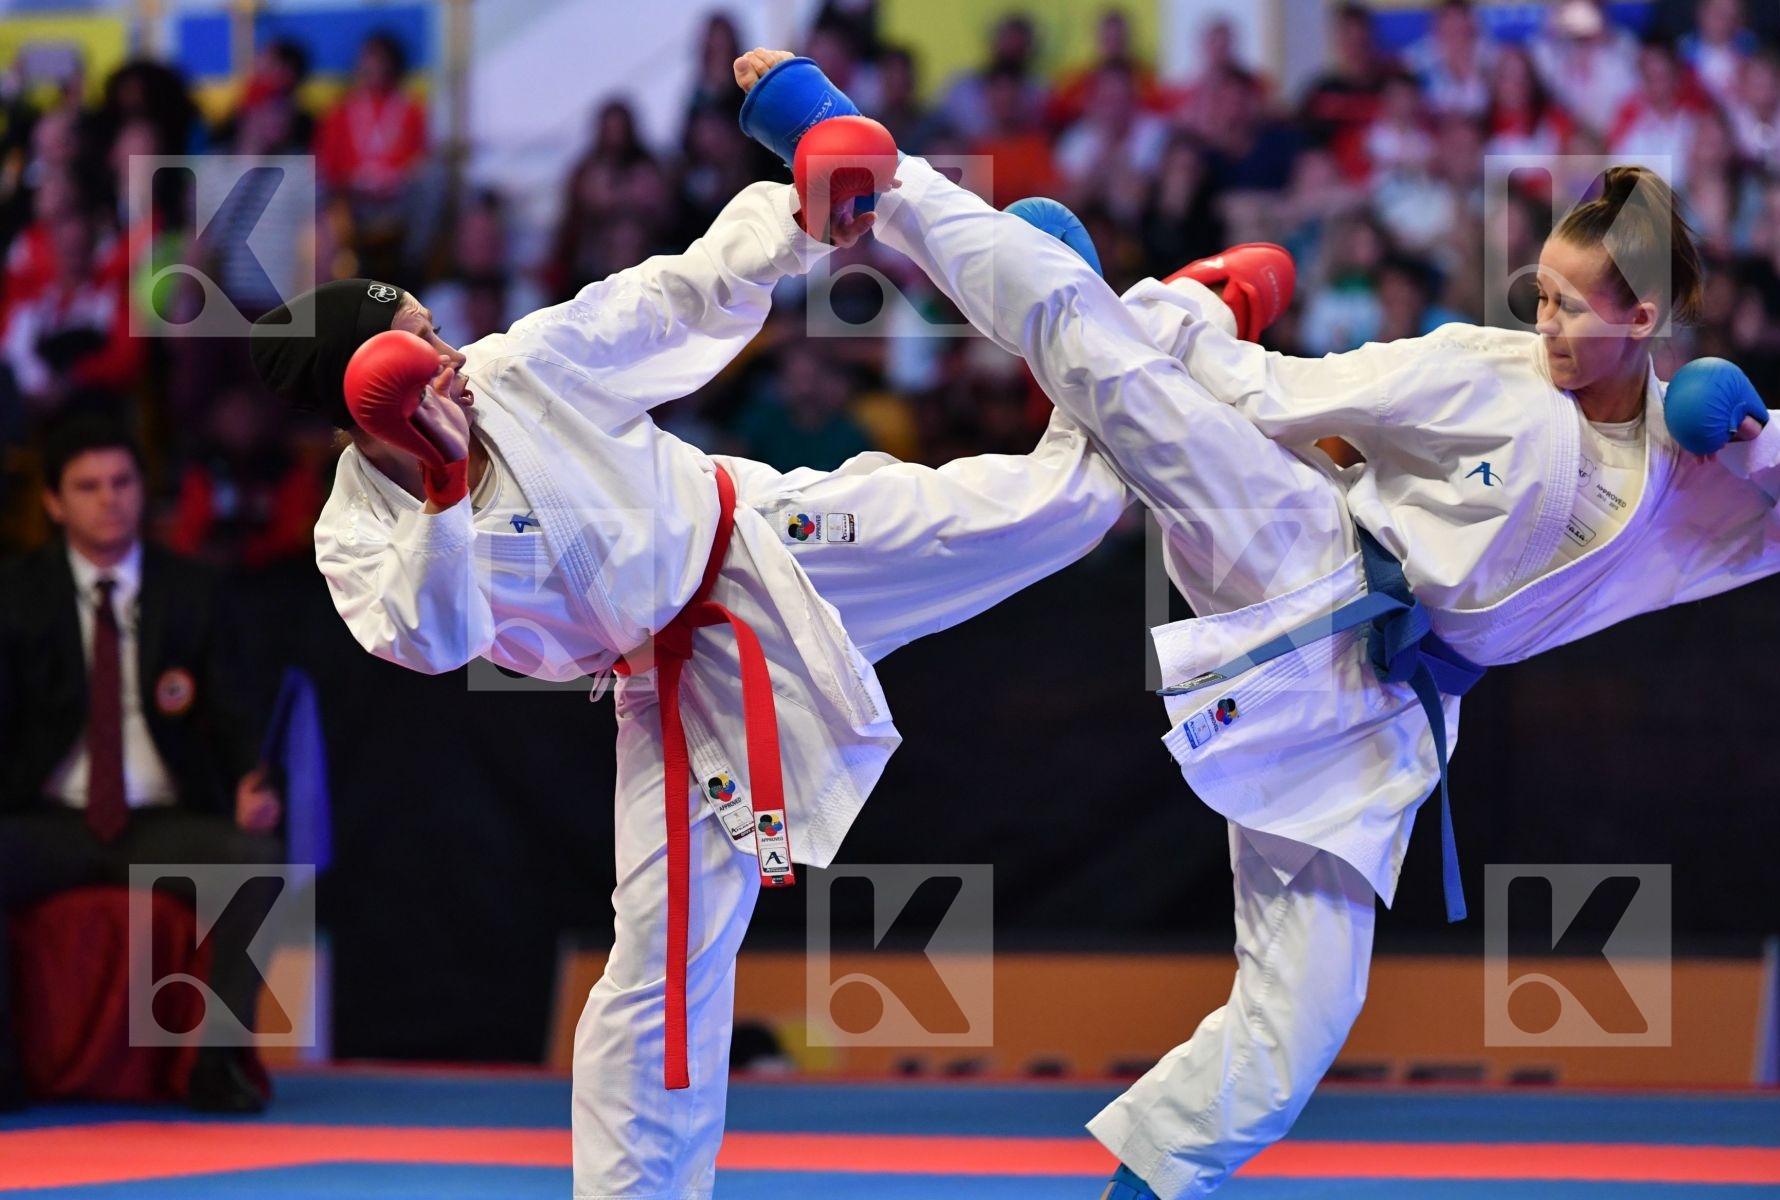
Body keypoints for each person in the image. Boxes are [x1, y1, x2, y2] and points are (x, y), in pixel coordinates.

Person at [833, 95, 1780, 1198]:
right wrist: (1190, 330)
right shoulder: (1484, 370)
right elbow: (1288, 395)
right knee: (1128, 385)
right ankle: (889, 182)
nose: (1549, 328)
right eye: (1544, 299)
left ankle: (1137, 1189)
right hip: (1308, 557)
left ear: (1646, 321)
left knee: (1301, 1024)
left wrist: (1758, 445)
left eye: (1578, 311)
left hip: (1378, 724)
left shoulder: (1689, 466)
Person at [248, 50, 1127, 1199]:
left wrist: (800, 221)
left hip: (760, 539)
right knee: (660, 962)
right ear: (370, 399)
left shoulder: (515, 367)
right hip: (670, 687)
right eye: (418, 343)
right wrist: (446, 496)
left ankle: (1092, 331)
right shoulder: (355, 534)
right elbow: (430, 638)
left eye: (435, 325)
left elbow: (669, 297)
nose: (451, 351)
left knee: (1039, 516)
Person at [0, 417, 282, 1114]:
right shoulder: (15, 593)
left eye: (123, 482)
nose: (109, 499)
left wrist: (254, 780)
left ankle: (217, 1064)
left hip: (160, 823)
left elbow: (236, 715)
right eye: (88, 487)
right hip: (47, 820)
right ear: (54, 502)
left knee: (257, 860)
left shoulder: (195, 591)